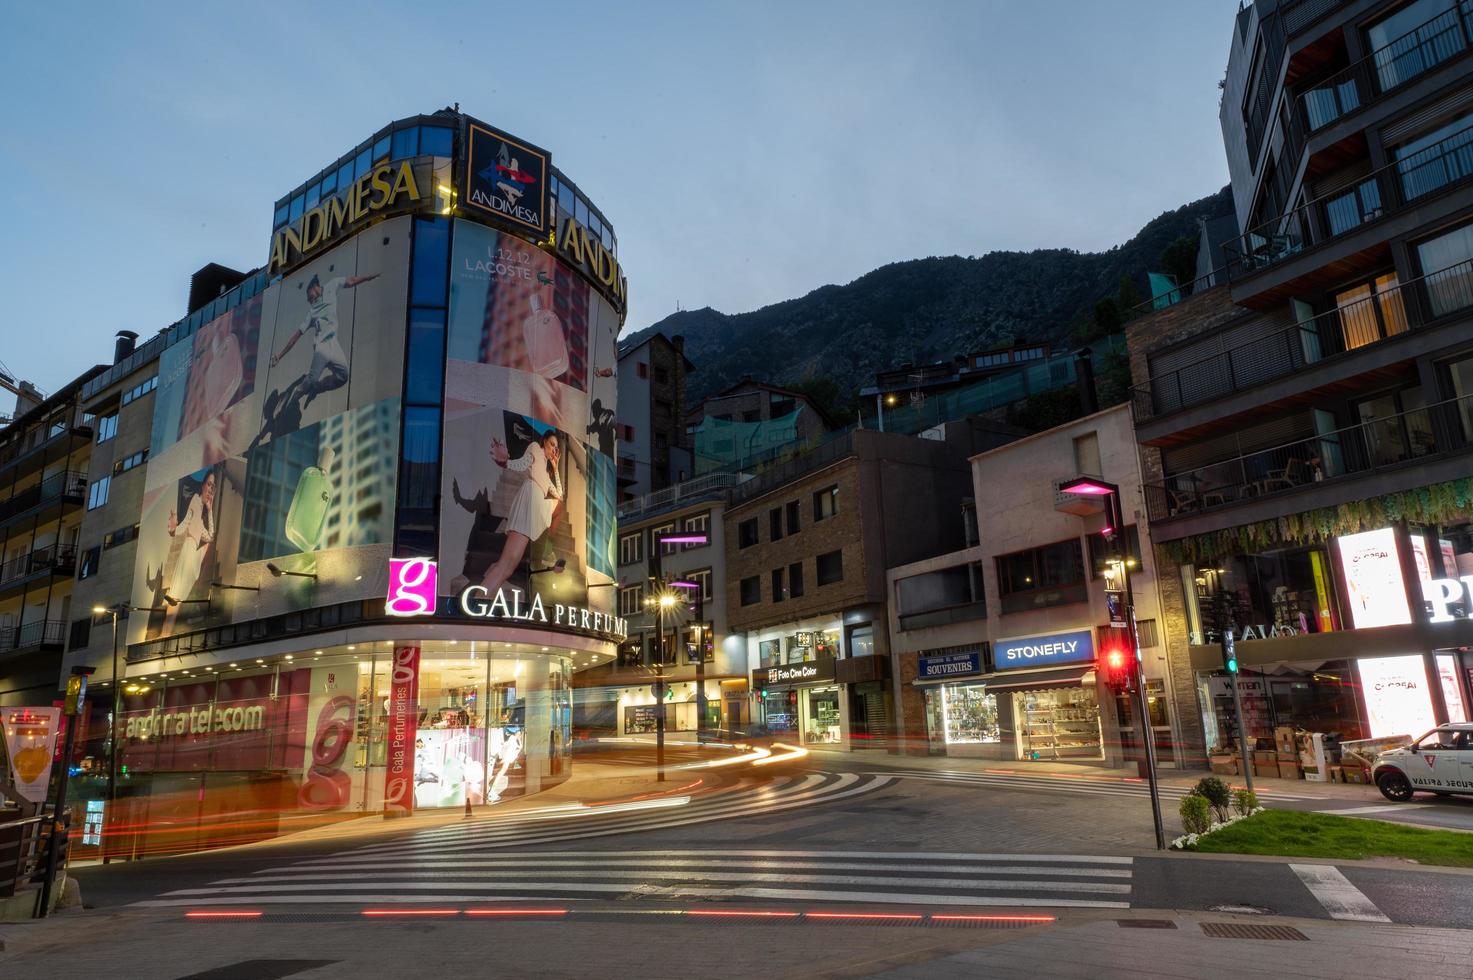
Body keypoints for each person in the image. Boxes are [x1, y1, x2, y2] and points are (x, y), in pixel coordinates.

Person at [254, 272, 378, 449]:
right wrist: (279, 355)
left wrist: (368, 277)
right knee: (310, 379)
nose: (309, 300)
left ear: (314, 287)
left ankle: (317, 389)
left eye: (309, 296)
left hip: (333, 345)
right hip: (321, 348)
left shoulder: (332, 286)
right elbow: (295, 337)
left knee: (343, 376)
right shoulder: (312, 313)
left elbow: (350, 281)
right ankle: (297, 393)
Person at [477, 430, 564, 596]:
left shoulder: (546, 474)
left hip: (535, 507)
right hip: (529, 503)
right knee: (506, 564)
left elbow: (559, 494)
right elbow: (521, 464)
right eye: (552, 444)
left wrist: (555, 468)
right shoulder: (535, 449)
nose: (554, 449)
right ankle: (479, 600)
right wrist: (505, 462)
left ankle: (482, 597)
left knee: (508, 566)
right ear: (544, 441)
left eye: (556, 448)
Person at [162, 471, 216, 634]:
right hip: (188, 553)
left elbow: (210, 536)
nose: (210, 489)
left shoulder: (203, 513)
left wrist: (210, 509)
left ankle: (166, 633)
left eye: (213, 486)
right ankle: (165, 633)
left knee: (178, 600)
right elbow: (185, 523)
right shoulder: (194, 501)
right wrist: (173, 530)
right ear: (203, 485)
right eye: (209, 484)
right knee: (176, 598)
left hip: (194, 558)